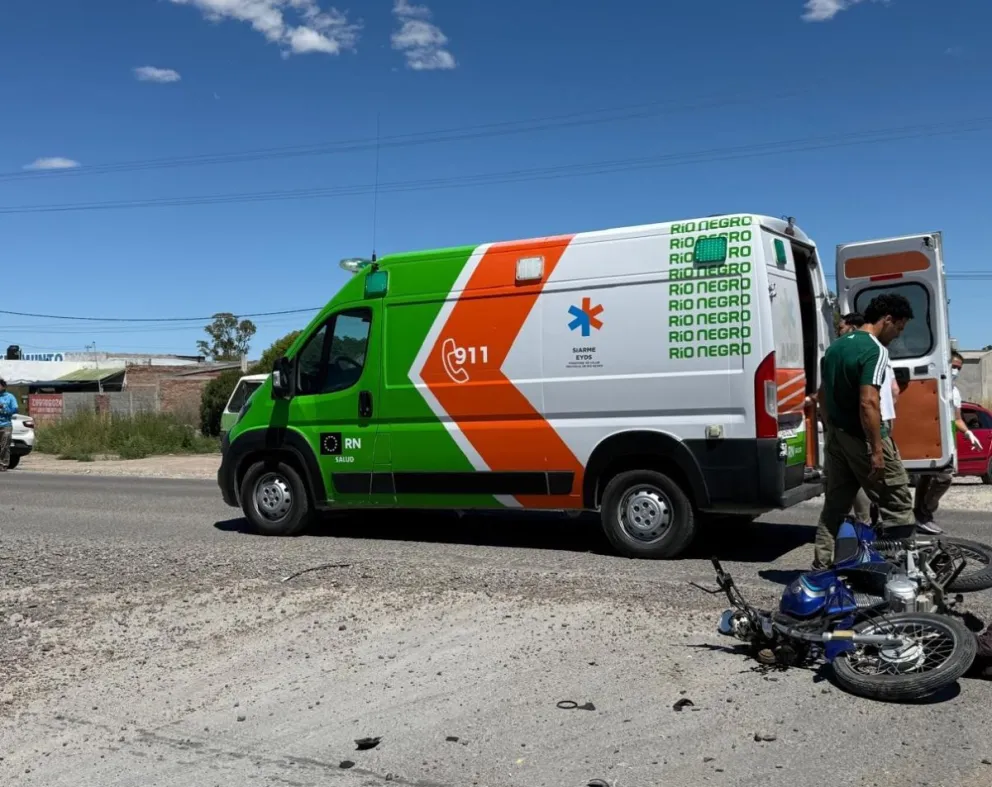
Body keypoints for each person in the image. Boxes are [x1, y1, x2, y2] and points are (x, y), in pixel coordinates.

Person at [813, 293, 916, 569]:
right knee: (897, 505)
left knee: (834, 507)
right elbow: (868, 402)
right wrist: (877, 450)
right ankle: (901, 573)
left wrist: (832, 429)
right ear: (888, 319)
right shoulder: (875, 350)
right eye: (899, 328)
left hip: (837, 437)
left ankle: (821, 569)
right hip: (863, 438)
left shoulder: (835, 348)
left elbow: (822, 395)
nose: (897, 335)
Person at [913, 350, 983, 533]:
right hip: (927, 438)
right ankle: (923, 513)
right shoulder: (930, 384)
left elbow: (957, 418)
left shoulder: (954, 391)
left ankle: (922, 514)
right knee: (939, 477)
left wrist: (968, 433)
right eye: (954, 366)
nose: (956, 371)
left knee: (933, 477)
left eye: (959, 368)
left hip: (945, 441)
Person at [0, 378, 18, 472]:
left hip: (5, 425)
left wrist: (5, 409)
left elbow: (15, 409)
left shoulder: (10, 397)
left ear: (3, 386)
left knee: (4, 446)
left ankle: (3, 464)